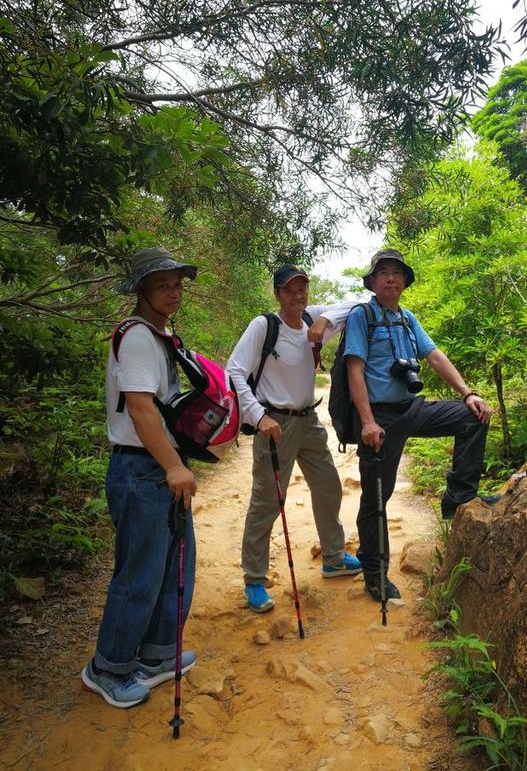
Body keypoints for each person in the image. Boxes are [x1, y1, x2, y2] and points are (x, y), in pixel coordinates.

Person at [343, 248, 498, 602]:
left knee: (469, 417)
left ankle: (459, 498)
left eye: (397, 272)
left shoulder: (408, 318)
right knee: (377, 497)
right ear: (372, 281)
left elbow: (434, 355)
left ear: (404, 281)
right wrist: (366, 421)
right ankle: (374, 571)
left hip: (411, 408)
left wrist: (467, 393)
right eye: (384, 272)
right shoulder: (361, 316)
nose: (391, 278)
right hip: (379, 418)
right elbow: (355, 369)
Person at [81, 247, 199, 708]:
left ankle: (153, 655)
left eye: (176, 283)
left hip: (159, 465)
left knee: (175, 567)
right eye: (162, 284)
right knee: (140, 573)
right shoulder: (134, 337)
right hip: (140, 468)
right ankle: (107, 668)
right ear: (141, 290)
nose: (173, 291)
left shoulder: (160, 335)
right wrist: (173, 466)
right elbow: (140, 407)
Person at [227, 264, 361, 612]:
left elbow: (359, 304)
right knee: (268, 501)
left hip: (309, 420)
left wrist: (325, 323)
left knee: (329, 485)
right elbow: (234, 372)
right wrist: (259, 416)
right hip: (276, 424)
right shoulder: (264, 326)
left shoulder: (312, 319)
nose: (298, 295)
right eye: (289, 290)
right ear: (277, 294)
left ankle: (333, 557)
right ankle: (254, 579)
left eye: (302, 289)